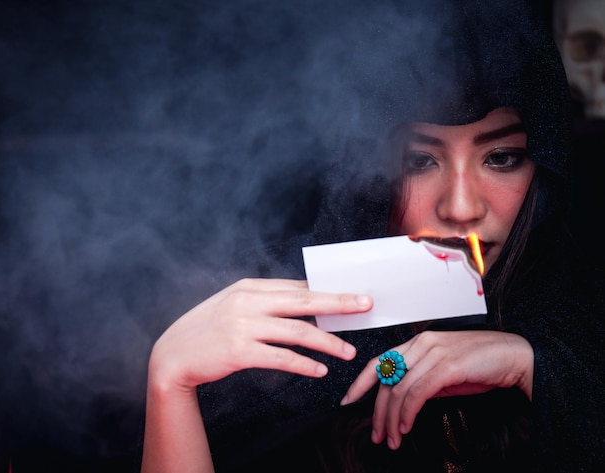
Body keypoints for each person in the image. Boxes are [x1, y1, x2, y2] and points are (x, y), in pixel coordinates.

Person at [140, 1, 605, 472]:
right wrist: (170, 385)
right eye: (419, 161)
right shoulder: (279, 351)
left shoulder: (583, 322)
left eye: (501, 157)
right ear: (361, 176)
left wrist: (537, 369)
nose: (462, 208)